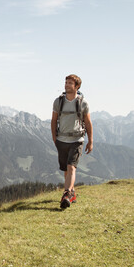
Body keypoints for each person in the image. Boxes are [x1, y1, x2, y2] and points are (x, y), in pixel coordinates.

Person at [51, 74, 93, 209]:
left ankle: (67, 194)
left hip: (77, 139)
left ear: (77, 87)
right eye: (66, 82)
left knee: (71, 167)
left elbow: (88, 122)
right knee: (65, 169)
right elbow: (53, 120)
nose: (66, 85)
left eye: (70, 83)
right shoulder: (58, 102)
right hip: (62, 140)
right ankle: (72, 191)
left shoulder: (83, 103)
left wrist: (90, 140)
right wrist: (54, 138)